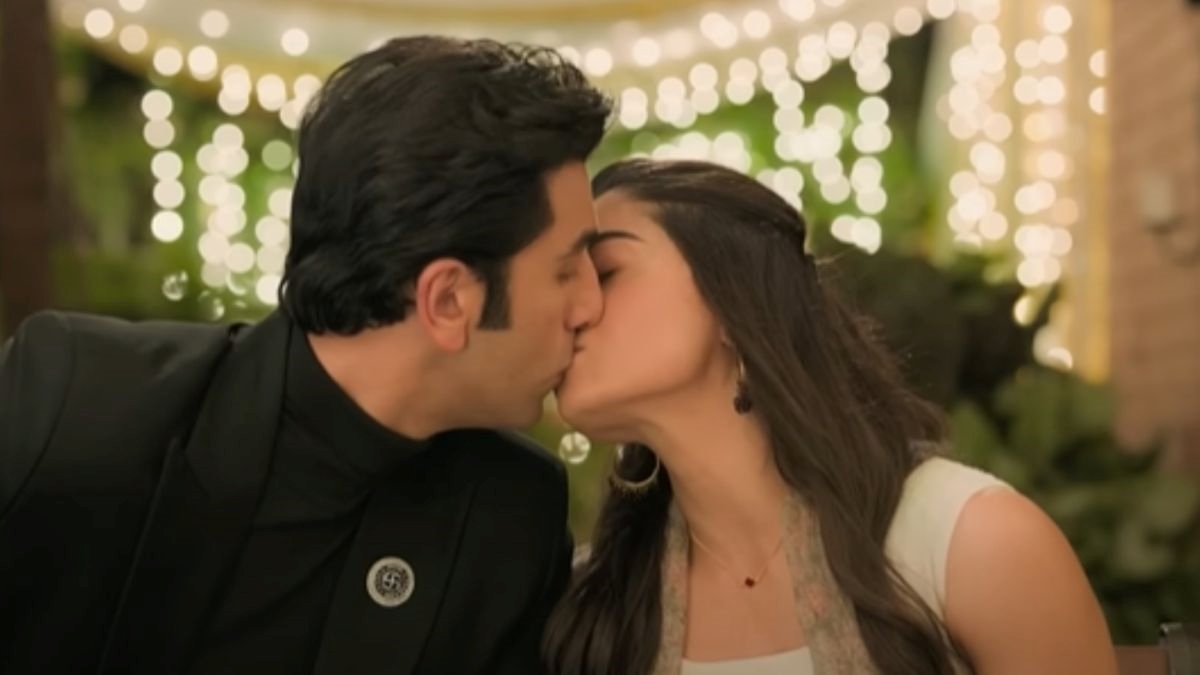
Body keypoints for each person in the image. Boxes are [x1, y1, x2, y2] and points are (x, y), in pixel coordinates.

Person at [0, 36, 610, 674]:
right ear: (448, 300)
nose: (592, 305)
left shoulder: (508, 518)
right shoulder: (75, 406)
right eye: (567, 270)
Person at [544, 159, 1120, 675]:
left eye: (606, 271)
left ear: (732, 300)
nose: (575, 307)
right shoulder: (593, 605)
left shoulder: (974, 544)